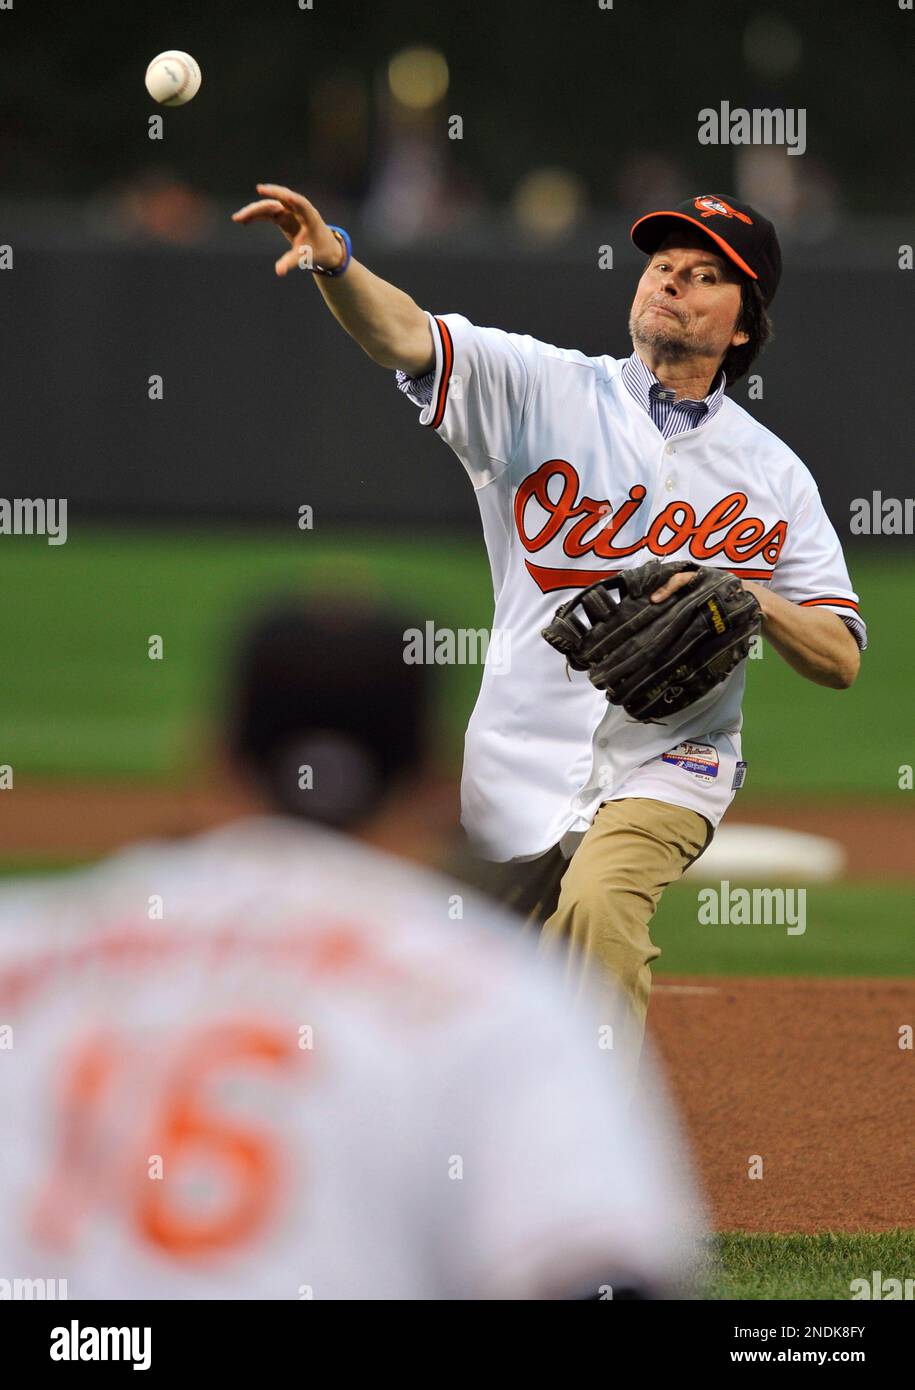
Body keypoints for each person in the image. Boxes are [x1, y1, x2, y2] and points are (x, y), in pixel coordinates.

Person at [231, 187, 865, 1061]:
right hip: (518, 755)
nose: (671, 283)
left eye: (705, 275)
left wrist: (754, 599)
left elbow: (839, 655)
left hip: (673, 759)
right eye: (661, 266)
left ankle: (594, 1163)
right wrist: (335, 259)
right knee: (437, 978)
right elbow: (406, 335)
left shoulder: (775, 475)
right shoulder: (539, 387)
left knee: (601, 909)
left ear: (743, 326)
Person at [0, 601, 703, 1300]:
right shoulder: (497, 994)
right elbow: (598, 1280)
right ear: (433, 784)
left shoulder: (19, 944)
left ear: (209, 761)